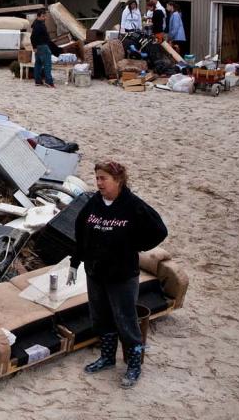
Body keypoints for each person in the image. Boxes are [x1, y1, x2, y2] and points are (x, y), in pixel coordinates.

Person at [67, 161, 168, 389]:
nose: (98, 183)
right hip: (95, 273)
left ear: (118, 180)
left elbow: (160, 230)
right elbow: (80, 232)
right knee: (100, 317)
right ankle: (107, 358)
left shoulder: (132, 205)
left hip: (122, 276)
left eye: (103, 178)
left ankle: (134, 366)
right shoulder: (93, 202)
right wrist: (75, 263)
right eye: (97, 178)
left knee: (126, 321)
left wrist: (136, 245)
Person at [30, 10, 58, 88]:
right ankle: (49, 82)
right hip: (42, 46)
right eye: (43, 16)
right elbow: (32, 37)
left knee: (38, 64)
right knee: (47, 64)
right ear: (38, 16)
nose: (44, 18)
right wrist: (34, 47)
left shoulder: (37, 24)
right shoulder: (38, 25)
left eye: (45, 16)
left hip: (40, 46)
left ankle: (38, 81)